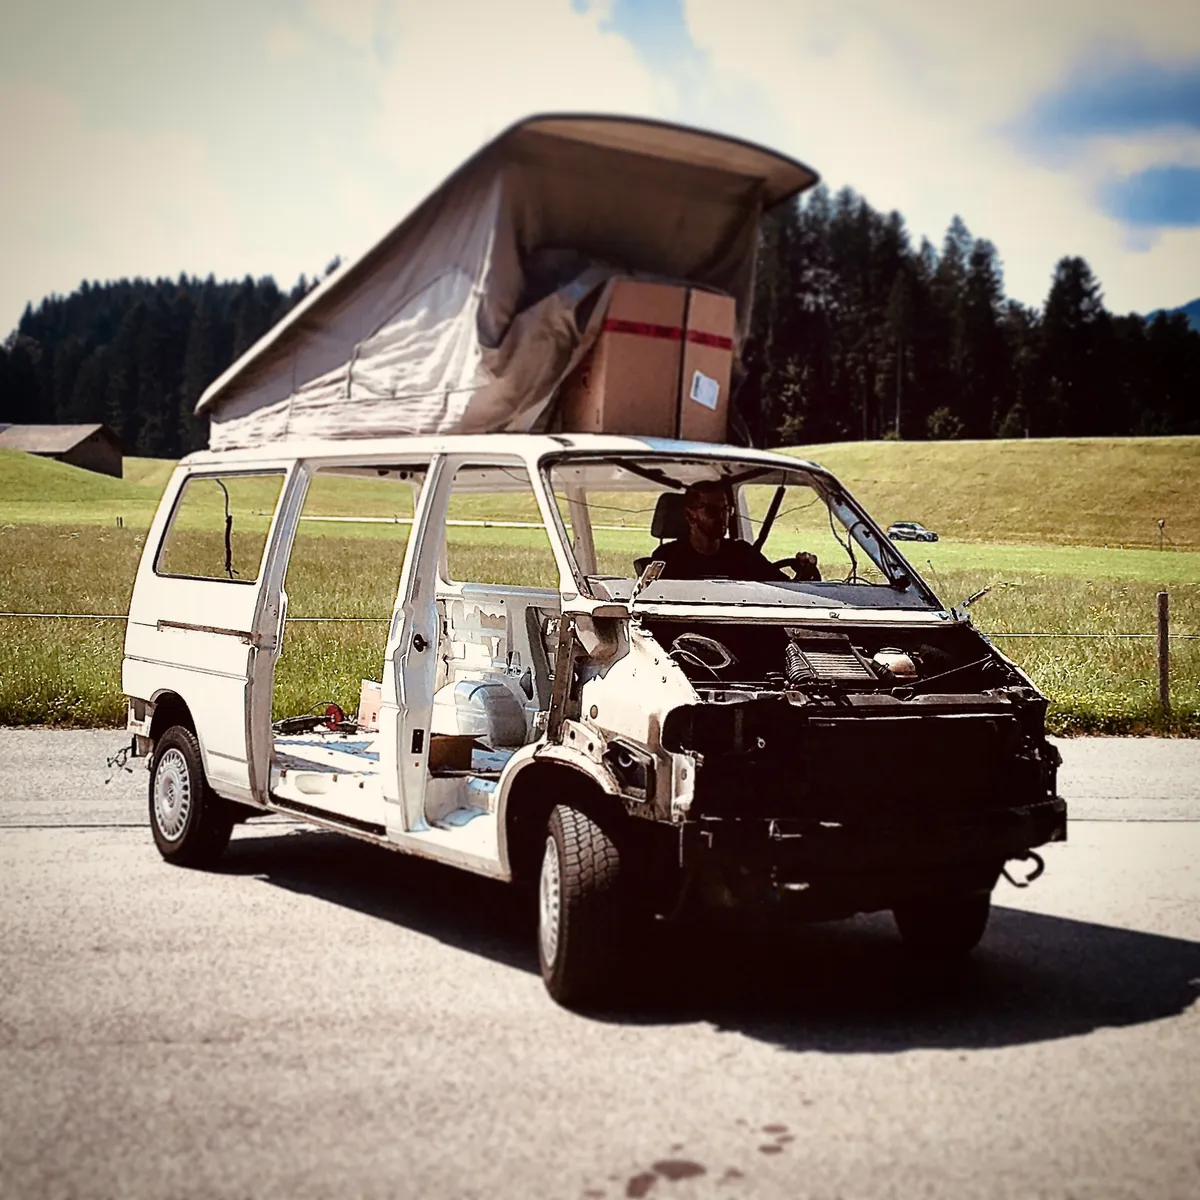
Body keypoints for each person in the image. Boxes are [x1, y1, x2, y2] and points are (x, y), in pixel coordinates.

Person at [650, 480, 820, 581]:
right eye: (712, 510)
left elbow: (782, 589)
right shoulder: (668, 558)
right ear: (690, 516)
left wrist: (804, 574)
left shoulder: (742, 554)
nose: (722, 517)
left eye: (726, 510)